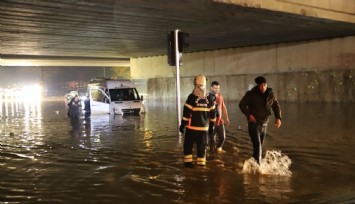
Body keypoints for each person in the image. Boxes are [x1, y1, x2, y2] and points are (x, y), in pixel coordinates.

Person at [239, 76, 282, 164]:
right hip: (253, 124)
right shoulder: (251, 94)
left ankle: (254, 165)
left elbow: (276, 105)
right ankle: (259, 169)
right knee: (258, 146)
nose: (263, 88)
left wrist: (278, 118)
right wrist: (249, 115)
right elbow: (242, 105)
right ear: (258, 86)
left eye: (265, 85)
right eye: (261, 85)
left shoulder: (270, 94)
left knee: (259, 147)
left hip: (264, 124)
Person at [179, 75, 216, 168]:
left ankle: (188, 168)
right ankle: (201, 170)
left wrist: (182, 125)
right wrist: (211, 127)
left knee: (188, 147)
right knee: (202, 149)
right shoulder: (210, 99)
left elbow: (186, 113)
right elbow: (213, 114)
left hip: (192, 129)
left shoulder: (192, 97)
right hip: (204, 130)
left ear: (195, 84)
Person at [209, 81, 230, 155]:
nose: (217, 90)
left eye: (218, 88)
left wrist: (226, 117)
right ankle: (212, 153)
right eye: (215, 88)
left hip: (219, 120)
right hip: (211, 121)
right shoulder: (208, 97)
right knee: (212, 139)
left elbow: (223, 107)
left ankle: (218, 148)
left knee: (222, 137)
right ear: (211, 88)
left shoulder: (220, 96)